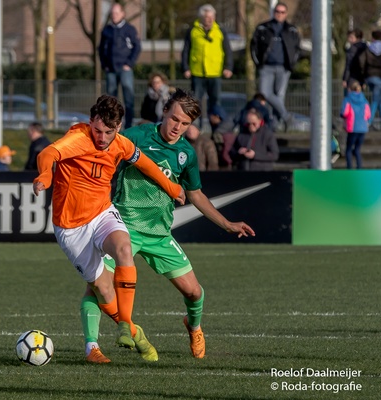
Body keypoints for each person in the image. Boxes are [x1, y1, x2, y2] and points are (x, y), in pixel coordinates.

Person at [78, 89, 255, 363]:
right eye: (174, 119)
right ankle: (92, 347)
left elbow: (195, 194)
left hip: (159, 234)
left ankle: (194, 328)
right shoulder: (137, 136)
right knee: (97, 287)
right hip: (122, 227)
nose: (177, 128)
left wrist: (226, 224)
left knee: (194, 292)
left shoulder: (186, 153)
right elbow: (102, 149)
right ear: (164, 112)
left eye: (185, 124)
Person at [32, 95, 186, 363]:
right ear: (90, 122)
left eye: (108, 132)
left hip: (102, 212)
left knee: (124, 248)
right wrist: (45, 175)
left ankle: (125, 325)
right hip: (71, 227)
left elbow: (145, 163)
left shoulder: (121, 144)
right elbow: (48, 153)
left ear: (118, 127)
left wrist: (172, 187)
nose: (101, 138)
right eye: (98, 130)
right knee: (104, 291)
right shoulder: (79, 138)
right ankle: (133, 333)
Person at [251, 2, 300, 130]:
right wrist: (258, 63)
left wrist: (291, 64)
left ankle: (275, 124)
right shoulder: (263, 28)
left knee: (279, 97)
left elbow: (297, 48)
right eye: (277, 11)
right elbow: (254, 46)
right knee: (265, 94)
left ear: (286, 14)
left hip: (283, 68)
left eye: (282, 12)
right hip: (266, 67)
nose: (279, 14)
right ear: (274, 12)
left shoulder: (291, 30)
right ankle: (286, 117)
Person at [181, 4, 233, 124]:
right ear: (201, 17)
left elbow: (227, 50)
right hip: (197, 72)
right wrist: (185, 67)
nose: (209, 20)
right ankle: (195, 128)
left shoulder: (220, 31)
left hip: (215, 73)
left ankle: (215, 129)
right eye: (206, 17)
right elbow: (186, 50)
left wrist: (228, 67)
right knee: (195, 102)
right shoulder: (192, 31)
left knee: (216, 103)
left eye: (211, 17)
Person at [98, 3, 141, 129]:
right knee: (111, 100)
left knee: (128, 99)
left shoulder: (129, 29)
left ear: (123, 14)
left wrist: (129, 63)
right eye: (112, 13)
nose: (114, 15)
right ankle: (112, 125)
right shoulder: (106, 30)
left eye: (117, 13)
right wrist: (104, 64)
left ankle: (128, 126)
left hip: (125, 68)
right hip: (110, 69)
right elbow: (101, 49)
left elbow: (137, 47)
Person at [359, 29, 381, 129]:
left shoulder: (368, 49)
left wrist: (364, 75)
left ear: (373, 38)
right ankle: (368, 121)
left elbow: (362, 62)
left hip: (369, 76)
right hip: (380, 76)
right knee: (375, 99)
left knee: (378, 99)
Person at [340, 81, 371, 169]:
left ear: (349, 89)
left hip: (352, 127)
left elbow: (344, 113)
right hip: (363, 128)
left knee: (348, 149)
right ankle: (359, 168)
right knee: (357, 150)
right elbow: (368, 114)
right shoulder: (364, 100)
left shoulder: (348, 99)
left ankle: (349, 168)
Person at [207, 104, 236, 169]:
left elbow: (221, 151)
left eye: (210, 116)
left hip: (224, 165)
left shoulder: (218, 133)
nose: (209, 118)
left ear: (217, 116)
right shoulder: (228, 127)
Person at [342, 28, 367, 95]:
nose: (349, 39)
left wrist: (345, 79)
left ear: (357, 38)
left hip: (352, 78)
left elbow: (348, 65)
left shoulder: (352, 49)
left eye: (351, 37)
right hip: (362, 78)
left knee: (349, 98)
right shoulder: (366, 48)